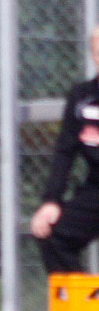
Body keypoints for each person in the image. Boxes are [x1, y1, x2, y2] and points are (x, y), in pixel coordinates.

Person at [30, 26, 99, 273]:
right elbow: (64, 152)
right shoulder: (82, 97)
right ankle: (84, 308)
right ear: (93, 56)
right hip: (95, 191)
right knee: (50, 234)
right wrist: (51, 201)